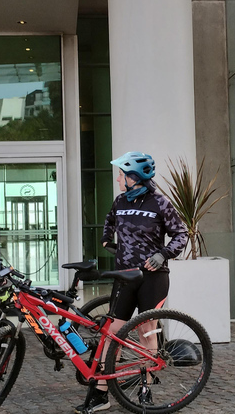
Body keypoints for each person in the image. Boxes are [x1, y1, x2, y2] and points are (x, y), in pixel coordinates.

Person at [75, 151, 188, 414]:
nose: (118, 179)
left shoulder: (160, 203)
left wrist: (163, 254)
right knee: (112, 334)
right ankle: (100, 394)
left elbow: (181, 233)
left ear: (134, 178)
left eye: (122, 175)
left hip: (152, 278)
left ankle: (145, 390)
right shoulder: (119, 201)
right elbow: (109, 222)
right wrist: (108, 242)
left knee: (146, 332)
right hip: (124, 277)